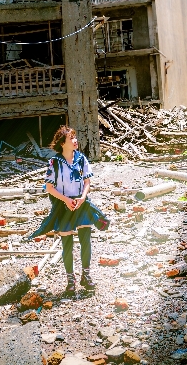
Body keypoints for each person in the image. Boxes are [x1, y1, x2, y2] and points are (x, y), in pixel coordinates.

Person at [27, 126, 108, 296]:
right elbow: (49, 187)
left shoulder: (81, 159)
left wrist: (82, 198)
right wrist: (66, 200)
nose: (75, 140)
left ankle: (86, 275)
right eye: (71, 138)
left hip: (81, 205)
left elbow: (87, 183)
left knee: (86, 242)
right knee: (67, 245)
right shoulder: (54, 163)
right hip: (64, 207)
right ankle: (70, 280)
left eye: (75, 137)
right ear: (63, 143)